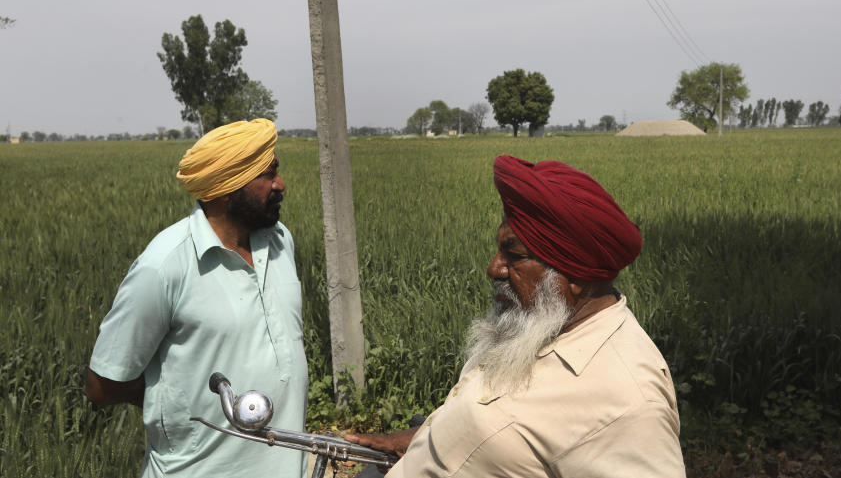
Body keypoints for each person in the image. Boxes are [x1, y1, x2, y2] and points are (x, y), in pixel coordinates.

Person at [347, 155, 685, 477]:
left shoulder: (627, 402)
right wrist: (428, 437)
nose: (493, 268)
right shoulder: (541, 327)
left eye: (515, 256)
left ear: (577, 277)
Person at [85, 119, 308, 478]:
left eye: (276, 171)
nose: (280, 185)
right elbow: (102, 384)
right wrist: (174, 398)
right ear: (225, 190)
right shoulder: (164, 266)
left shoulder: (280, 241)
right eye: (267, 175)